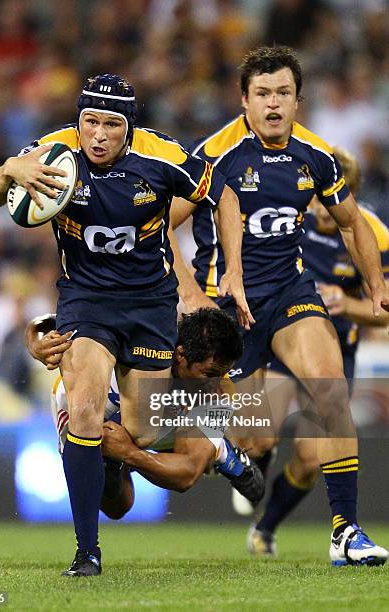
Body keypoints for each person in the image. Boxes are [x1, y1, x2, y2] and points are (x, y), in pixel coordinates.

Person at [0, 73, 251, 578]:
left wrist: (232, 267)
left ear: (129, 127)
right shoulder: (52, 153)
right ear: (78, 121)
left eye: (111, 124)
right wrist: (9, 169)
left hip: (150, 305)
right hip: (86, 301)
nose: (98, 134)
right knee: (83, 411)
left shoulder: (163, 156)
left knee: (141, 433)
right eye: (90, 122)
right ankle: (88, 552)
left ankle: (209, 447)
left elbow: (227, 197)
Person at [170, 47, 389, 566]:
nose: (273, 104)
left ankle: (346, 532)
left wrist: (376, 284)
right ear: (244, 99)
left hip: (289, 292)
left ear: (297, 99)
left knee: (328, 384)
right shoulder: (213, 155)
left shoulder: (316, 155)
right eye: (263, 94)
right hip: (229, 306)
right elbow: (159, 224)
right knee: (253, 434)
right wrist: (189, 291)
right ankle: (239, 458)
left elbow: (354, 222)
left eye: (283, 94)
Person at [245, 146, 389, 556]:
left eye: (333, 202)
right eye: (318, 200)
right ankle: (257, 456)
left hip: (336, 347)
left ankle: (265, 528)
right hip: (286, 333)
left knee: (310, 458)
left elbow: (384, 310)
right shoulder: (291, 219)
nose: (324, 212)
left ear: (351, 196)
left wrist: (349, 305)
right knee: (257, 431)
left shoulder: (373, 236)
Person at [25, 308, 264, 526]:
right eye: (210, 373)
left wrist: (129, 453)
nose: (217, 385)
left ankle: (219, 452)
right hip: (88, 409)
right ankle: (217, 452)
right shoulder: (145, 333)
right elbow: (45, 322)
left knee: (201, 453)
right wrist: (37, 345)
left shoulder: (217, 392)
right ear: (180, 354)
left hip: (162, 426)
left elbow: (186, 474)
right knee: (118, 505)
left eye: (221, 375)